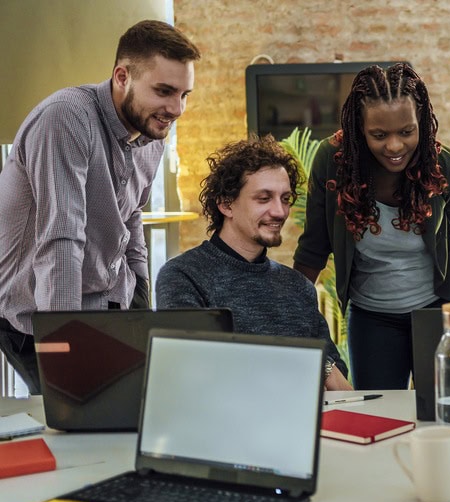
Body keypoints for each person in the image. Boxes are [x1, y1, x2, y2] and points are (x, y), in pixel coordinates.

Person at [0, 20, 200, 394]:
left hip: (108, 301)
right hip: (37, 312)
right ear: (122, 76)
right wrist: (64, 349)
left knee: (121, 417)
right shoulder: (67, 117)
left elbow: (132, 213)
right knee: (69, 421)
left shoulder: (153, 129)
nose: (176, 108)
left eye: (185, 94)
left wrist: (139, 291)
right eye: (164, 91)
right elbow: (61, 237)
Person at [293, 63, 450, 390]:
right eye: (379, 135)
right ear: (359, 129)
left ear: (421, 122)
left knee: (444, 412)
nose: (394, 146)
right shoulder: (332, 161)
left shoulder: (439, 163)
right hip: (371, 319)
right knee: (378, 416)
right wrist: (290, 312)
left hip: (438, 313)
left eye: (406, 131)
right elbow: (314, 247)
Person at [156, 136, 352, 391]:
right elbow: (196, 371)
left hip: (302, 422)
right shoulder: (183, 275)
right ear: (226, 204)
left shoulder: (297, 286)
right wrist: (312, 362)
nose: (280, 212)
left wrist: (322, 366)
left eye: (284, 199)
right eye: (264, 198)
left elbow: (335, 376)